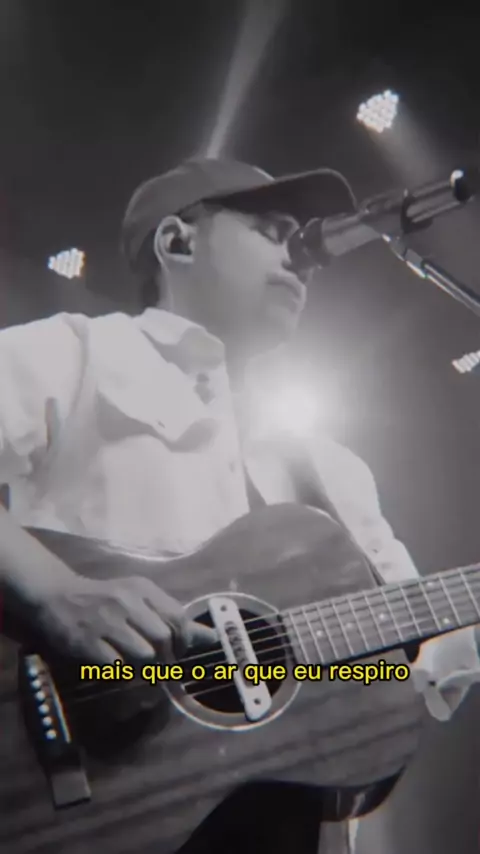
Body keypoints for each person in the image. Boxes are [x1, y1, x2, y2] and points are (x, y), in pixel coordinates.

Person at [1, 156, 480, 854]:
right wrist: (54, 591)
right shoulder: (77, 352)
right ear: (177, 241)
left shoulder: (333, 469)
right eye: (273, 230)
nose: (303, 257)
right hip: (80, 802)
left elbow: (401, 664)